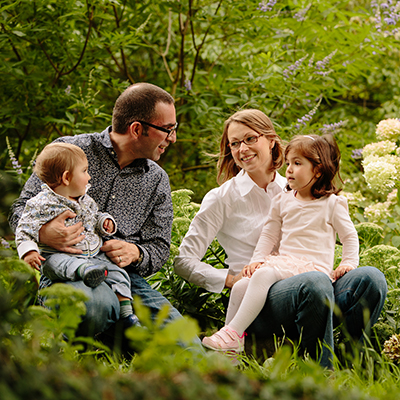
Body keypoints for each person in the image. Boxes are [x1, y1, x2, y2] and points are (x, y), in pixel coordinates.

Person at [174, 109, 387, 369]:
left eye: (250, 139)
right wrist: (230, 279)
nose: (242, 149)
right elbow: (184, 261)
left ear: (271, 140)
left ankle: (352, 360)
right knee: (315, 282)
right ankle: (316, 368)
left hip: (312, 278)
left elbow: (335, 231)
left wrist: (345, 262)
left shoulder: (298, 185)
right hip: (262, 299)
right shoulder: (221, 198)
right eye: (234, 143)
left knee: (371, 279)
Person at [9, 82, 183, 340]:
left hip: (123, 277)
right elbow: (19, 210)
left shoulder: (156, 179)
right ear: (137, 129)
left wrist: (136, 252)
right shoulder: (70, 151)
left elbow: (159, 247)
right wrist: (44, 233)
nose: (173, 138)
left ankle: (124, 333)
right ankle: (107, 335)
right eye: (167, 129)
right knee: (96, 308)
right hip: (68, 268)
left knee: (184, 339)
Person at [202, 134, 359, 352]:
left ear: (318, 170)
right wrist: (257, 260)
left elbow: (350, 236)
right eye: (288, 163)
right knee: (241, 285)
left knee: (264, 275)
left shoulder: (332, 204)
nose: (289, 170)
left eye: (297, 163)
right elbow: (269, 235)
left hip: (313, 270)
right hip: (286, 265)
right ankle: (232, 348)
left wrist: (348, 262)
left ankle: (233, 331)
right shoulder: (283, 200)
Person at [15, 143, 139, 328]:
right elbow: (24, 229)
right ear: (66, 177)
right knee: (56, 264)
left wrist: (104, 223)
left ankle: (127, 314)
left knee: (118, 272)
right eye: (85, 171)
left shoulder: (85, 199)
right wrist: (28, 252)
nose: (89, 176)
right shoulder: (41, 203)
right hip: (57, 255)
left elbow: (94, 217)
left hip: (94, 256)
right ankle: (84, 272)